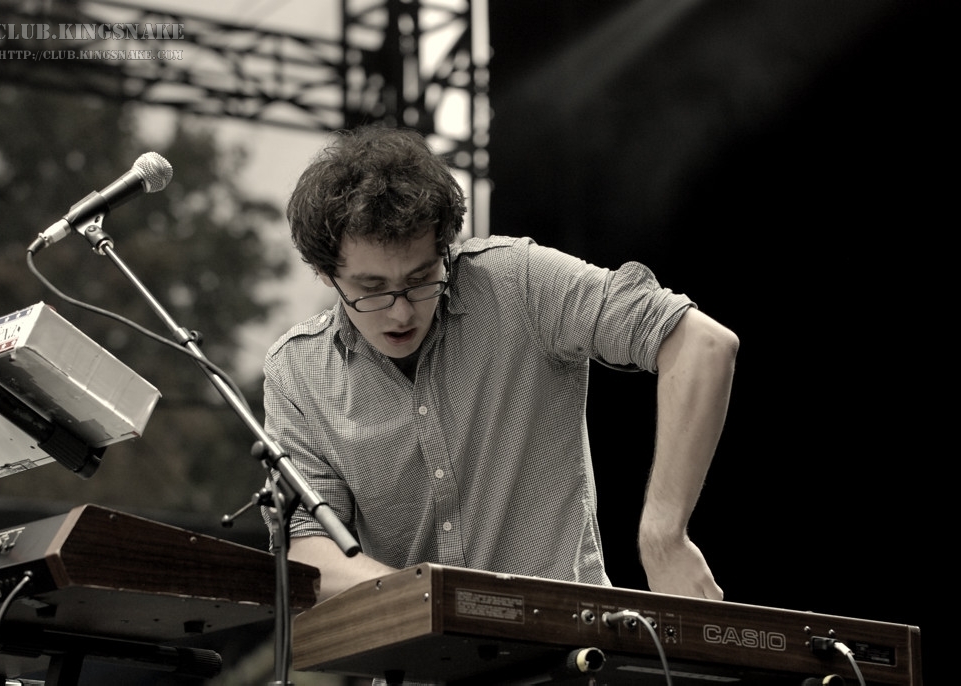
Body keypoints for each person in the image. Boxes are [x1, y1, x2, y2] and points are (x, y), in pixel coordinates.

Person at [263, 125, 739, 609]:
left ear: (445, 249)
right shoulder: (298, 373)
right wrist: (437, 605)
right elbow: (306, 549)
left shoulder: (518, 283)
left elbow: (702, 344)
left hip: (569, 641)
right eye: (373, 289)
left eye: (422, 277)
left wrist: (663, 535)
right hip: (419, 650)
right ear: (325, 272)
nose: (402, 312)